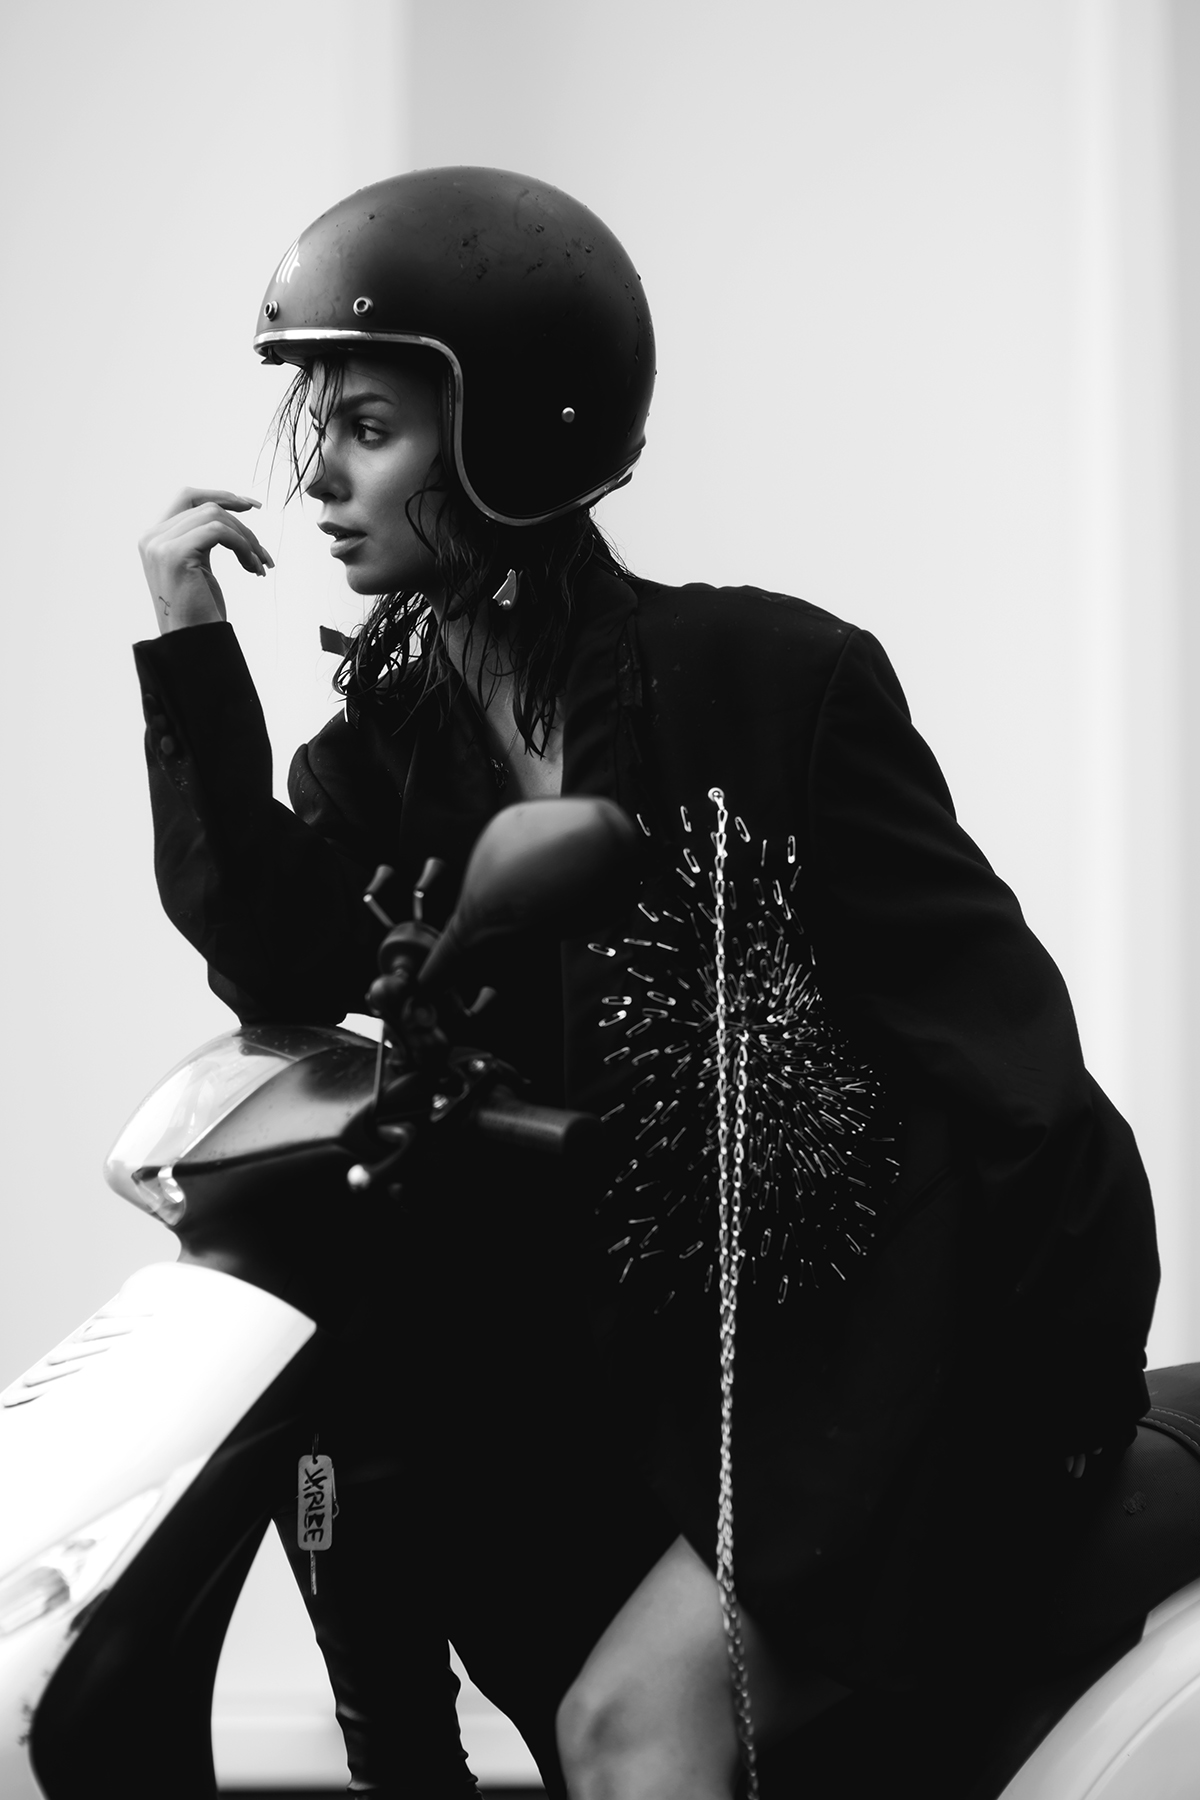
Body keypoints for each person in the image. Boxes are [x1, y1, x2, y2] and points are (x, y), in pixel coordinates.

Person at [134, 168, 1159, 1800]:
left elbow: (1006, 1060)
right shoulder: (382, 761)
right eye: (324, 428)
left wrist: (1025, 1397)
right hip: (644, 1373)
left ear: (507, 437)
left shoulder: (777, 681)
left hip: (898, 1346)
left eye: (371, 428)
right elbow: (279, 957)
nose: (318, 474)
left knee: (632, 1728)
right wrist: (188, 645)